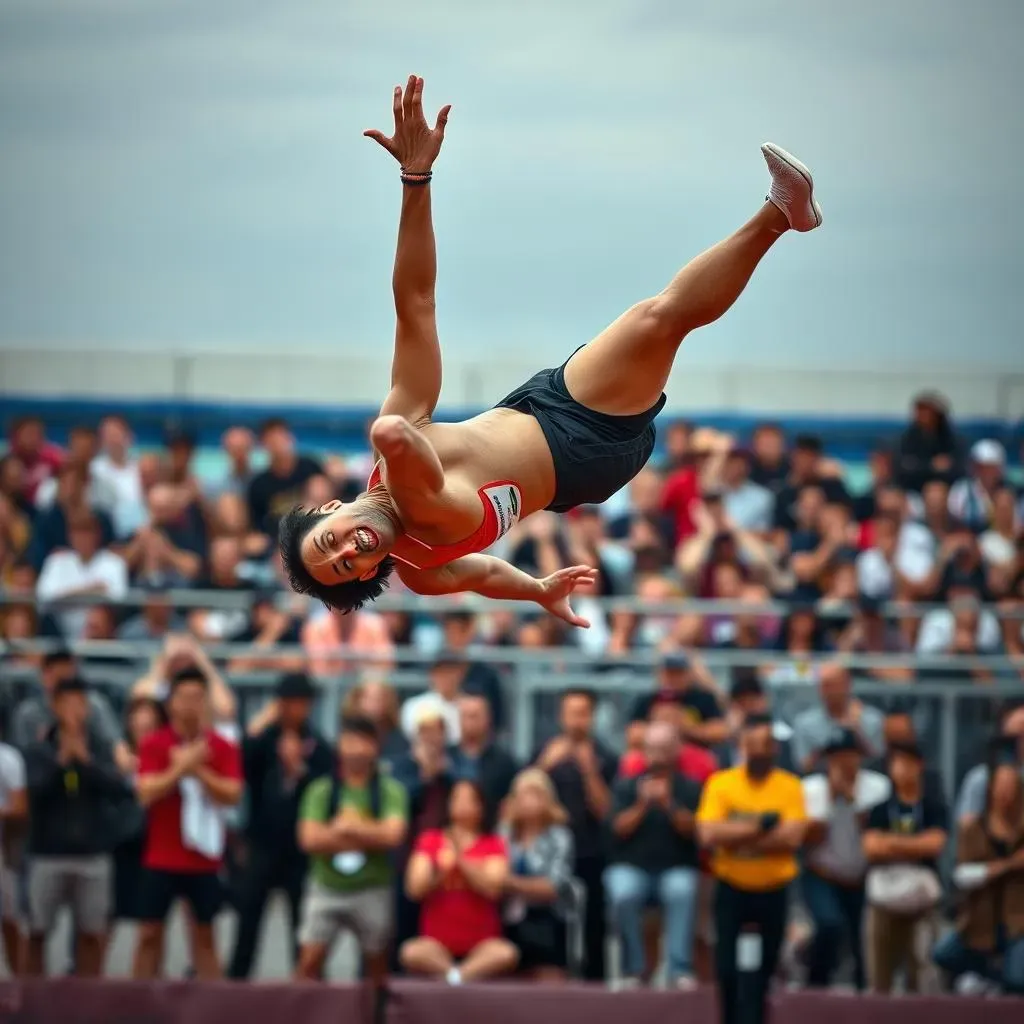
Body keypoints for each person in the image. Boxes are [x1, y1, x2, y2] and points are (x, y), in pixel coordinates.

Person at [278, 75, 823, 623]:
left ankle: (781, 212)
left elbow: (415, 302)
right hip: (583, 450)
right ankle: (781, 213)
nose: (350, 552)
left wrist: (415, 178)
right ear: (371, 574)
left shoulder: (400, 466)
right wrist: (394, 439)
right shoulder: (417, 510)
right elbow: (422, 477)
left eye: (332, 544)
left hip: (536, 405)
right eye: (348, 567)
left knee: (652, 318)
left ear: (330, 510)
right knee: (658, 320)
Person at [132, 668, 243, 980]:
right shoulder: (155, 744)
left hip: (204, 858)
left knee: (205, 936)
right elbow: (145, 791)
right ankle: (135, 1005)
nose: (191, 704)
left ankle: (215, 1009)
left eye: (198, 697)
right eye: (185, 697)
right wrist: (180, 768)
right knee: (149, 934)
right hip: (162, 855)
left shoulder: (222, 746)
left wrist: (200, 771)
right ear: (172, 703)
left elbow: (232, 794)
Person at [696, 714, 807, 1024]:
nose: (759, 751)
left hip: (774, 888)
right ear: (742, 746)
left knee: (767, 970)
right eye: (753, 744)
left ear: (775, 748)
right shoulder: (721, 783)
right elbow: (708, 834)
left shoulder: (789, 786)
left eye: (766, 745)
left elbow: (792, 837)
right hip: (731, 885)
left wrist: (737, 837)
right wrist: (761, 826)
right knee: (727, 970)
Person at [22, 677, 130, 977]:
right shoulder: (39, 749)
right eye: (67, 703)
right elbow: (35, 792)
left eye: (81, 703)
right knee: (37, 931)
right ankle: (33, 1001)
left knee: (92, 934)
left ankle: (87, 1004)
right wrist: (61, 762)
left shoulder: (103, 748)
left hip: (93, 853)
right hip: (48, 853)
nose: (75, 710)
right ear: (54, 706)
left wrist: (85, 762)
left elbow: (119, 791)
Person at [229, 673, 334, 979]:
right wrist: (260, 726)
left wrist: (298, 770)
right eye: (290, 703)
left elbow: (326, 791)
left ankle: (303, 996)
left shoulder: (318, 747)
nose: (297, 709)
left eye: (302, 703)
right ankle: (236, 986)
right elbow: (241, 765)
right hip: (261, 844)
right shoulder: (264, 739)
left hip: (299, 850)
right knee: (247, 922)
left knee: (301, 929)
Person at [295, 714, 407, 983]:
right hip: (326, 886)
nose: (356, 749)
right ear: (340, 745)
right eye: (350, 741)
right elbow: (309, 840)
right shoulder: (320, 790)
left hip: (372, 887)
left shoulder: (391, 790)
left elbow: (393, 836)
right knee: (309, 962)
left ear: (376, 747)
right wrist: (366, 831)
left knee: (377, 965)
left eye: (364, 742)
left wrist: (348, 826)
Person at [605, 720, 704, 989]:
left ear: (676, 750)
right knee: (623, 891)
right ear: (643, 751)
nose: (657, 755)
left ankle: (678, 969)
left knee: (681, 890)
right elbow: (616, 830)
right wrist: (642, 804)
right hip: (631, 866)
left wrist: (668, 805)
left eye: (663, 748)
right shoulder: (625, 786)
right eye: (651, 748)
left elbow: (695, 832)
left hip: (676, 867)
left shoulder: (691, 788)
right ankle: (633, 969)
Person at [400, 779, 518, 983]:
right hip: (436, 945)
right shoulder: (431, 840)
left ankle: (459, 975)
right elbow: (414, 889)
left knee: (506, 954)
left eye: (470, 800)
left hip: (481, 945)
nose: (462, 804)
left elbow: (494, 888)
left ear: (481, 807)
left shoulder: (493, 844)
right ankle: (453, 974)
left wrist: (461, 861)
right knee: (411, 952)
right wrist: (440, 873)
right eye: (457, 798)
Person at [932, 739, 1024, 995]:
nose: (1005, 793)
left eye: (1011, 786)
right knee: (943, 954)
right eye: (1000, 785)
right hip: (980, 917)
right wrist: (1007, 866)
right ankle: (992, 975)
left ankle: (1002, 978)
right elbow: (962, 875)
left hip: (1018, 918)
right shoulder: (972, 826)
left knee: (1018, 977)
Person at [862, 740, 948, 994]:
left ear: (919, 766)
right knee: (879, 974)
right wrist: (914, 844)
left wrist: (890, 842)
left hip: (922, 900)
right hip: (884, 897)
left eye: (907, 763)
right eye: (896, 764)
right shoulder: (880, 809)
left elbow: (934, 845)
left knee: (921, 969)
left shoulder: (933, 806)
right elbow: (870, 848)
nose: (902, 769)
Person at [499, 768, 575, 981]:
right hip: (508, 918)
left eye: (536, 794)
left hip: (547, 918)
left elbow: (552, 887)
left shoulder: (560, 836)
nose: (529, 801)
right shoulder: (504, 833)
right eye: (523, 794)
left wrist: (511, 883)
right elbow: (493, 878)